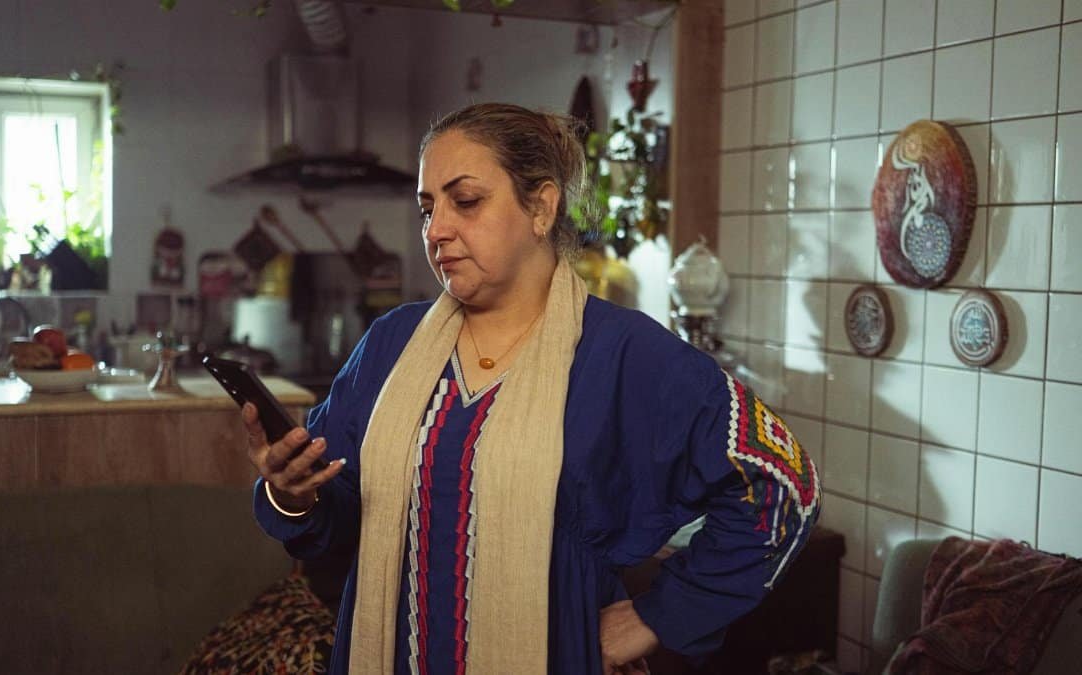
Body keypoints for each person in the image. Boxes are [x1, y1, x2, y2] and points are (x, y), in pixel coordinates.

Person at [243, 102, 821, 675]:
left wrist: (655, 616)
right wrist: (292, 493)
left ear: (541, 207)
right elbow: (338, 516)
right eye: (427, 209)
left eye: (464, 201)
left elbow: (783, 485)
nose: (436, 229)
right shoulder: (393, 344)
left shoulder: (623, 354)